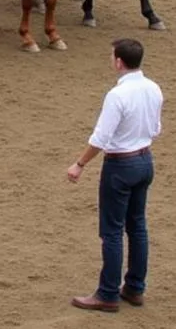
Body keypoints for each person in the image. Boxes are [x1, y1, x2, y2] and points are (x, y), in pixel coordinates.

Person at [67, 39, 163, 313]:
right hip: (145, 160)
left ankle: (107, 293)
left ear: (119, 62)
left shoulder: (117, 95)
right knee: (138, 226)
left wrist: (79, 164)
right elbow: (155, 128)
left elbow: (101, 137)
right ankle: (134, 287)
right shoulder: (154, 88)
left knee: (111, 231)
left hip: (120, 166)